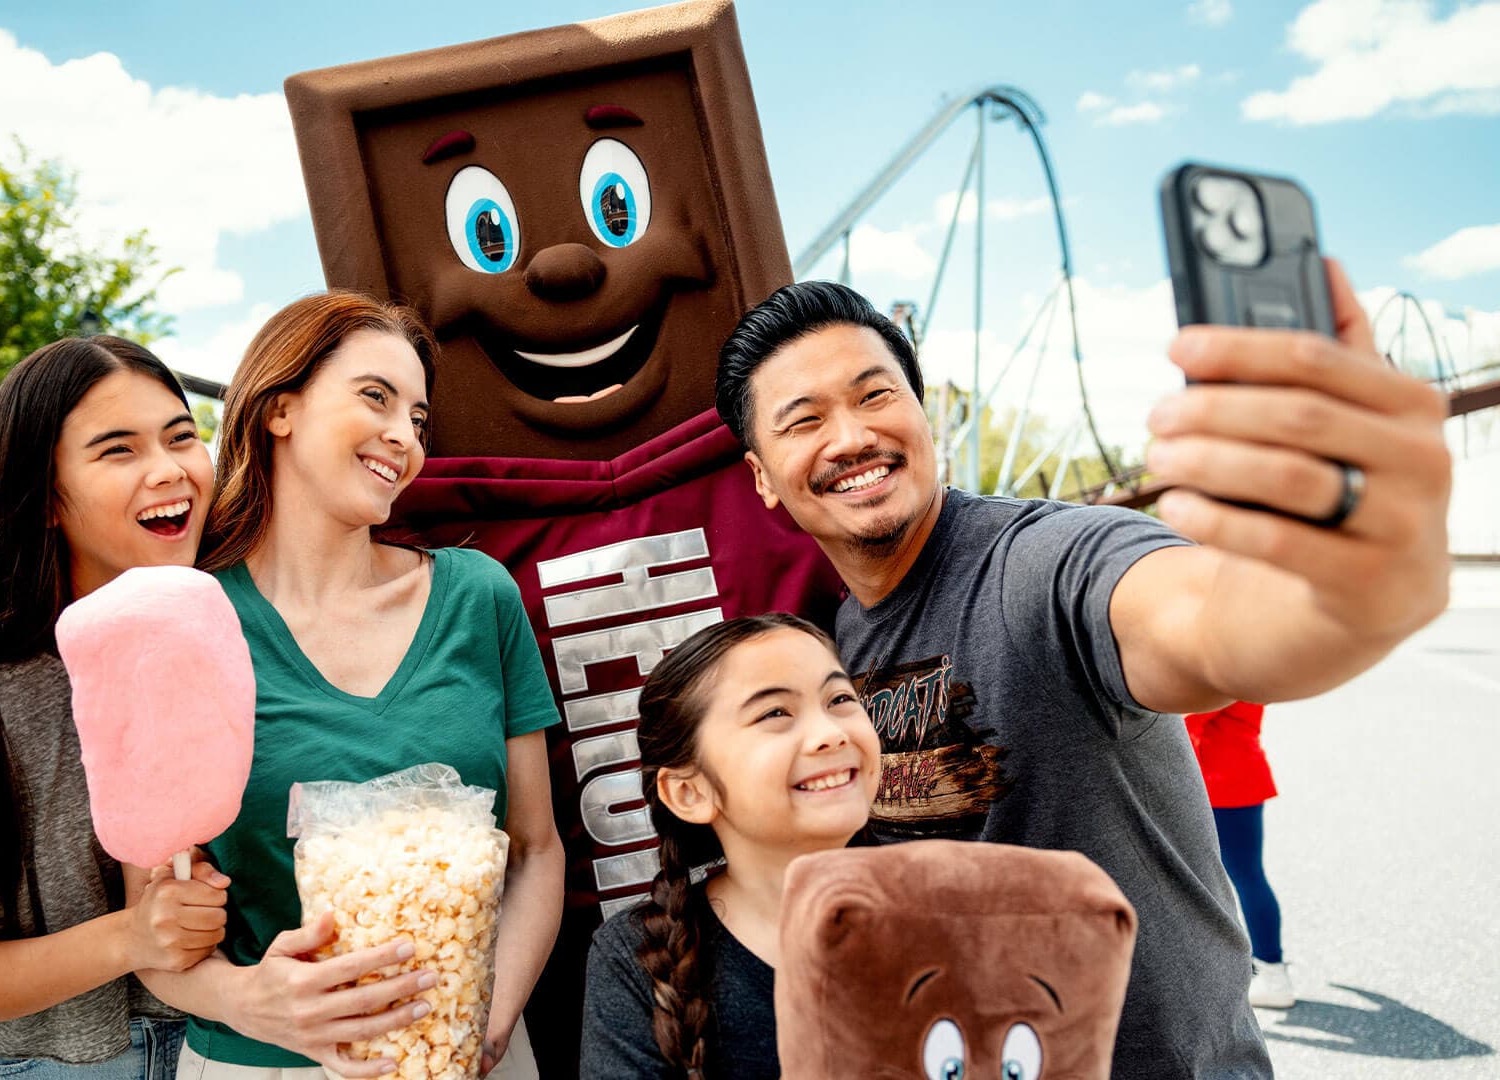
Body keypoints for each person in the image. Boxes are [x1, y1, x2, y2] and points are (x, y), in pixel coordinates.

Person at [712, 270, 1453, 1078]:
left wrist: (1343, 583)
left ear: (923, 414)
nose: (851, 436)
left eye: (875, 396)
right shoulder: (825, 656)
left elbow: (1212, 625)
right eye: (805, 419)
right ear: (763, 479)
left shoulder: (1044, 563)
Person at [133, 292, 565, 1080]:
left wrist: (483, 1027)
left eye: (420, 420)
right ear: (280, 408)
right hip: (260, 1067)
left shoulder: (478, 597)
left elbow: (536, 851)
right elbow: (151, 926)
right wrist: (242, 998)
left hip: (465, 1056)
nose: (404, 437)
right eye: (376, 397)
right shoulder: (187, 623)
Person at [0, 335, 228, 1079]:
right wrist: (133, 937)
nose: (169, 470)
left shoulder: (227, 633)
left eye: (181, 436)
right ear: (45, 498)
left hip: (218, 1055)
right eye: (117, 450)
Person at [581, 614, 878, 1079]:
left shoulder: (953, 910)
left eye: (839, 698)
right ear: (689, 793)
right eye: (775, 713)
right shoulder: (634, 959)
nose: (831, 734)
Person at [1184, 701, 1293, 1008]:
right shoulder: (1245, 661)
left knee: (1244, 877)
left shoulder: (1227, 668)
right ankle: (1267, 967)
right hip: (1235, 776)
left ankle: (1272, 971)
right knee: (1244, 876)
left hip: (1223, 783)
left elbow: (1186, 722)